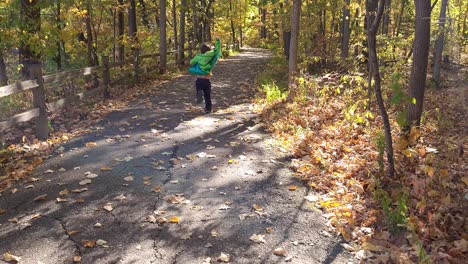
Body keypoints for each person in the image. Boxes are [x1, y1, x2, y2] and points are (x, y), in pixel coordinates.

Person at [188, 37, 221, 114]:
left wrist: (195, 62)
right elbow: (217, 51)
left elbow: (191, 62)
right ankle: (208, 109)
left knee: (199, 87)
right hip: (207, 79)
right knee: (207, 96)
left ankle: (199, 91)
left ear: (201, 50)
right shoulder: (211, 56)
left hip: (199, 79)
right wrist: (218, 41)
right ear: (209, 50)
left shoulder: (198, 57)